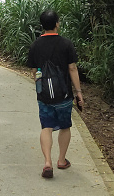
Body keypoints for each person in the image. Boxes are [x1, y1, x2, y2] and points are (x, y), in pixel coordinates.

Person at [26, 9, 84, 179]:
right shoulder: (66, 44)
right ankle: (61, 160)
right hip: (64, 95)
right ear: (57, 23)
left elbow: (34, 71)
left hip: (44, 95)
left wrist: (40, 89)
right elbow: (72, 68)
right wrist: (78, 92)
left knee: (46, 127)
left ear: (42, 25)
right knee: (65, 126)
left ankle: (47, 163)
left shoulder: (35, 45)